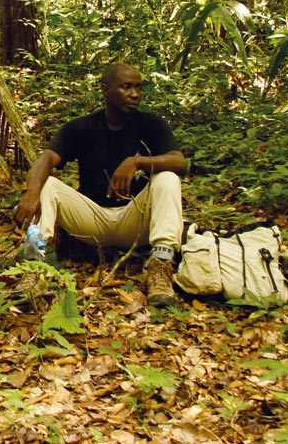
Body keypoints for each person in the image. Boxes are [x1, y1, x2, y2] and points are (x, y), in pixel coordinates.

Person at [13, 62, 188, 307]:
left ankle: (160, 269)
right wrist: (31, 193)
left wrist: (136, 162)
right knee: (48, 184)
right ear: (106, 90)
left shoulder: (150, 124)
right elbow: (47, 159)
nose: (134, 94)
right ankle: (35, 266)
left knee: (167, 177)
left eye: (138, 88)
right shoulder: (82, 128)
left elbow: (179, 162)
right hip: (92, 221)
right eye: (126, 87)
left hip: (135, 221)